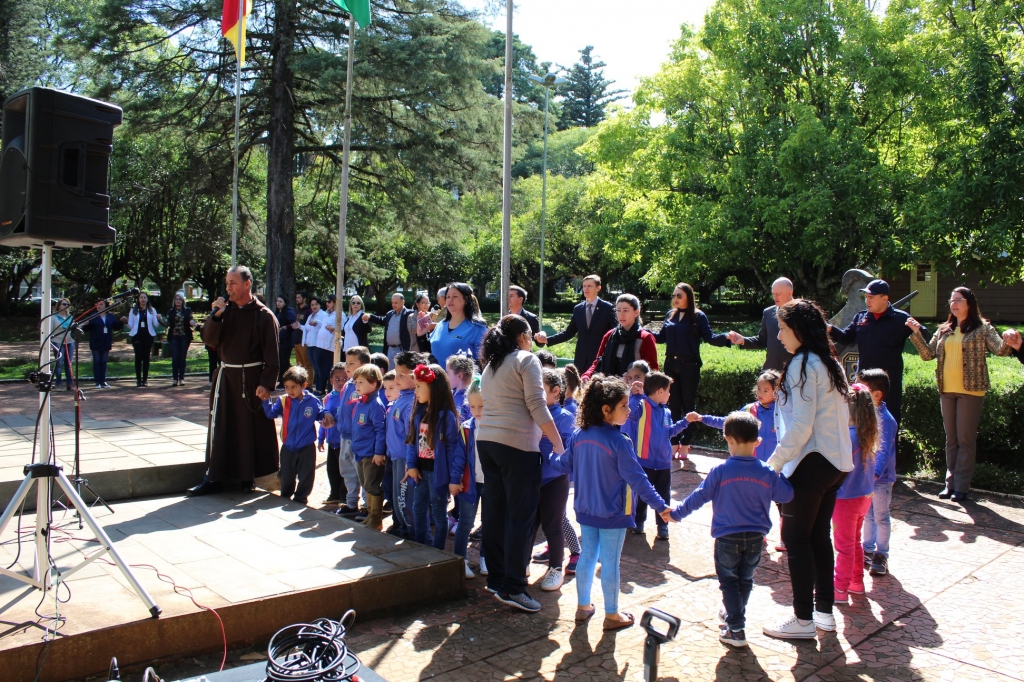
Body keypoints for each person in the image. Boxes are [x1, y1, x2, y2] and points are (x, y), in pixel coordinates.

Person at [761, 299, 854, 640]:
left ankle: (802, 620)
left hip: (811, 464)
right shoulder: (828, 361)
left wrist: (772, 465)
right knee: (817, 537)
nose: (780, 335)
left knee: (796, 538)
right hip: (834, 464)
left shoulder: (802, 364)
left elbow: (800, 427)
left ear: (799, 330)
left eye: (784, 328)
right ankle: (824, 613)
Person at [663, 411, 794, 648]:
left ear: (728, 439)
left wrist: (675, 514)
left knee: (729, 582)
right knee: (745, 580)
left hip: (726, 538)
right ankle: (735, 618)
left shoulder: (720, 471)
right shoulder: (765, 471)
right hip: (756, 538)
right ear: (758, 442)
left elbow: (698, 497)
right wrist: (780, 472)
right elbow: (787, 494)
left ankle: (736, 628)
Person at [547, 374, 668, 631]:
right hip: (614, 512)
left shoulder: (580, 435)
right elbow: (639, 481)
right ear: (606, 409)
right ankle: (612, 615)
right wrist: (661, 506)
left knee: (587, 556)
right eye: (624, 406)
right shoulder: (620, 442)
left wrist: (547, 454)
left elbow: (562, 464)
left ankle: (583, 607)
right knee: (610, 561)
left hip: (585, 509)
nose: (628, 410)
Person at [478, 315, 566, 613]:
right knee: (520, 517)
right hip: (517, 446)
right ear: (523, 336)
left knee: (495, 511)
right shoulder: (526, 359)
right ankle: (513, 587)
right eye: (529, 333)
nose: (531, 338)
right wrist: (557, 441)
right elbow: (536, 404)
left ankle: (497, 578)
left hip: (487, 443)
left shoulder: (492, 364)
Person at [906, 287, 1011, 502]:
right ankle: (950, 485)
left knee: (965, 440)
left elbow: (1001, 350)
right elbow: (928, 354)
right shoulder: (945, 329)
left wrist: (1010, 338)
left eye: (958, 300)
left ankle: (962, 487)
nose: (953, 304)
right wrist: (916, 334)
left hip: (971, 390)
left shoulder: (982, 329)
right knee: (951, 440)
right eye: (951, 300)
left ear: (969, 304)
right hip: (947, 389)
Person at [189, 266, 280, 496]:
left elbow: (272, 354)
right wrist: (215, 316)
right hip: (226, 379)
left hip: (251, 380)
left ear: (247, 284)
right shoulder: (223, 312)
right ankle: (214, 477)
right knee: (221, 426)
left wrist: (266, 383)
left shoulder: (263, 315)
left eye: (233, 283)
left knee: (247, 429)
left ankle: (246, 477)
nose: (228, 287)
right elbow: (209, 339)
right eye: (227, 283)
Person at [688, 369, 784, 549]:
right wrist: (703, 418)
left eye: (766, 390)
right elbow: (727, 422)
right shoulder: (749, 410)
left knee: (782, 505)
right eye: (759, 389)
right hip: (753, 468)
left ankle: (785, 536)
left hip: (776, 468)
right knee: (756, 502)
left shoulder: (784, 410)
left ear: (777, 391)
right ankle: (758, 533)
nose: (760, 393)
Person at [650, 283, 732, 460]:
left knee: (688, 405)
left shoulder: (697, 316)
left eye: (679, 296)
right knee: (672, 405)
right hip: (671, 365)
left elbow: (710, 337)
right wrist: (643, 332)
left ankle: (686, 443)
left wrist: (727, 338)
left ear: (688, 296)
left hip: (689, 366)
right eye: (674, 296)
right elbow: (661, 337)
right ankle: (673, 443)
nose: (675, 299)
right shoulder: (670, 315)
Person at [828, 279, 921, 424]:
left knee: (888, 424)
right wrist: (830, 329)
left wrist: (917, 331)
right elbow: (847, 338)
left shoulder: (901, 318)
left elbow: (924, 338)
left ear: (885, 298)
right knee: (863, 422)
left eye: (871, 297)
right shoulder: (861, 317)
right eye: (866, 297)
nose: (867, 301)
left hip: (887, 384)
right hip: (864, 381)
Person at [403, 364, 464, 550]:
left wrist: (453, 478)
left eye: (419, 387)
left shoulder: (447, 417)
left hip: (438, 475)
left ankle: (438, 550)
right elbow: (412, 442)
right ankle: (422, 544)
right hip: (420, 473)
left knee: (438, 513)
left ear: (434, 388)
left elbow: (453, 450)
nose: (416, 392)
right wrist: (411, 465)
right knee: (418, 508)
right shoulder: (419, 413)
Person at [624, 371, 689, 541]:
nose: (669, 394)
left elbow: (671, 432)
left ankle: (662, 526)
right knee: (643, 494)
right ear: (660, 391)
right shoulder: (641, 405)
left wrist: (685, 422)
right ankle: (638, 522)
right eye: (668, 390)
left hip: (663, 463)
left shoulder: (666, 411)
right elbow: (629, 413)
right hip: (643, 461)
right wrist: (634, 394)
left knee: (663, 494)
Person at [832, 384, 878, 603]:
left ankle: (839, 589)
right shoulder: (867, 433)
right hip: (864, 498)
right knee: (855, 542)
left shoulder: (847, 436)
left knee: (843, 547)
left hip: (845, 499)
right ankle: (856, 583)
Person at [262, 366, 332, 504]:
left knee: (306, 474)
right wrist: (265, 400)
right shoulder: (283, 400)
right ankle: (286, 496)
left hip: (306, 446)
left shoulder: (312, 400)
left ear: (304, 385)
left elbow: (320, 413)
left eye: (293, 387)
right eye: (287, 387)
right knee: (286, 474)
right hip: (288, 446)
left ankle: (301, 498)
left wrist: (326, 415)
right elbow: (271, 414)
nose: (290, 390)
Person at [533, 369, 577, 592]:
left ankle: (556, 569)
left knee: (553, 525)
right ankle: (522, 565)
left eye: (541, 389)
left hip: (554, 480)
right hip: (531, 479)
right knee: (529, 525)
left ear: (556, 392)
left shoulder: (565, 417)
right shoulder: (530, 412)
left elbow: (566, 451)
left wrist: (552, 455)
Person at [856, 369, 898, 578]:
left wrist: (874, 474)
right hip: (867, 476)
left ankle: (881, 554)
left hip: (879, 479)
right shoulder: (867, 413)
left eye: (861, 389)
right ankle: (867, 549)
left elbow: (882, 450)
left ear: (876, 394)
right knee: (867, 515)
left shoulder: (885, 420)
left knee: (881, 516)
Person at [535, 274, 616, 371]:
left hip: (600, 358)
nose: (586, 288)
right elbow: (569, 332)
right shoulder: (578, 309)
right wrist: (547, 340)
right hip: (581, 359)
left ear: (598, 288)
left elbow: (613, 333)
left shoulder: (607, 308)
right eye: (584, 286)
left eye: (590, 286)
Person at [582, 294, 659, 382]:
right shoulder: (609, 335)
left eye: (626, 311)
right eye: (618, 310)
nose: (621, 314)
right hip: (608, 387)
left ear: (636, 312)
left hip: (634, 390)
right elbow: (598, 362)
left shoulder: (645, 338)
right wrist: (586, 375)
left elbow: (653, 370)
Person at [387, 352, 421, 539]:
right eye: (396, 373)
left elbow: (411, 435)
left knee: (405, 499)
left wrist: (411, 460)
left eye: (402, 375)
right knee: (397, 496)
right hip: (396, 456)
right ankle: (401, 526)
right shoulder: (402, 397)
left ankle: (411, 533)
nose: (397, 378)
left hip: (405, 458)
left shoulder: (411, 402)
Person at [350, 364, 388, 530]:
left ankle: (376, 518)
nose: (357, 386)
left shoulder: (375, 405)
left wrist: (379, 452)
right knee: (365, 483)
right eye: (356, 382)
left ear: (374, 384)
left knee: (372, 484)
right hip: (360, 451)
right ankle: (371, 515)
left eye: (361, 382)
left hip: (371, 454)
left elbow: (380, 431)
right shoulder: (360, 403)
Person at [729, 277, 795, 372]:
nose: (775, 297)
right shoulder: (768, 313)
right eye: (773, 294)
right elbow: (762, 341)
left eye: (778, 294)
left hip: (795, 371)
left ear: (790, 293)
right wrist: (743, 340)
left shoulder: (803, 311)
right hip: (771, 372)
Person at [335, 346, 371, 516]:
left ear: (364, 364)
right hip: (344, 436)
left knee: (362, 473)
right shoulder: (348, 385)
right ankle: (351, 503)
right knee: (347, 471)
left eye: (352, 363)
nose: (347, 367)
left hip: (359, 439)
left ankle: (367, 506)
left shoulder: (365, 386)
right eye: (346, 362)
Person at [455, 380, 485, 577]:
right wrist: (455, 478)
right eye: (472, 406)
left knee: (489, 522)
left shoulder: (496, 426)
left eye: (481, 406)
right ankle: (460, 558)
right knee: (465, 521)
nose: (476, 410)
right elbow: (458, 457)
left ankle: (486, 557)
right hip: (469, 482)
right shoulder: (466, 428)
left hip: (491, 483)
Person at [428, 283, 488, 369]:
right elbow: (429, 352)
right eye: (448, 297)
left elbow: (483, 364)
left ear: (466, 299)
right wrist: (420, 335)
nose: (450, 300)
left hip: (464, 381)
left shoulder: (478, 328)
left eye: (455, 296)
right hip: (436, 381)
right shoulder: (440, 325)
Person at [319, 363, 349, 505]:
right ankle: (334, 493)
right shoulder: (328, 398)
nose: (341, 382)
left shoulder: (350, 397)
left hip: (344, 441)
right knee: (332, 469)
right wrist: (321, 437)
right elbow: (323, 419)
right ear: (331, 380)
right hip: (332, 441)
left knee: (345, 470)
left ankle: (345, 496)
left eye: (345, 378)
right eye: (337, 379)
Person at [365, 293, 414, 368]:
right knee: (389, 372)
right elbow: (382, 320)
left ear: (403, 302)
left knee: (401, 370)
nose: (393, 305)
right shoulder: (390, 314)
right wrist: (370, 317)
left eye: (396, 303)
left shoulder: (409, 314)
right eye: (392, 303)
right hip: (389, 349)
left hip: (401, 349)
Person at [122, 291, 160, 387]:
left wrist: (159, 319)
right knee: (138, 357)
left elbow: (156, 324)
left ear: (147, 299)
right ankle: (138, 379)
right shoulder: (133, 310)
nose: (143, 299)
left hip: (148, 335)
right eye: (141, 297)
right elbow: (131, 325)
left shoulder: (152, 310)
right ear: (138, 299)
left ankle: (145, 379)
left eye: (145, 297)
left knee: (146, 357)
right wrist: (126, 322)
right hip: (137, 336)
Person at [84, 298, 122, 389]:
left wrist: (122, 322)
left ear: (105, 305)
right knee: (97, 361)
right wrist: (85, 324)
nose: (99, 306)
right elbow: (87, 329)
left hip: (106, 341)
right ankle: (97, 382)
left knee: (104, 361)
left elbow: (116, 327)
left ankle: (103, 381)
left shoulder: (110, 316)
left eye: (101, 304)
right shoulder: (92, 316)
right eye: (97, 304)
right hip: (96, 342)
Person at [165, 293, 197, 387]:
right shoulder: (171, 311)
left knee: (182, 357)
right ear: (174, 301)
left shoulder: (187, 310)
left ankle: (181, 378)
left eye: (180, 299)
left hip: (184, 336)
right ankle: (175, 378)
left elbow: (191, 320)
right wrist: (159, 320)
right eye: (176, 299)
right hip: (174, 337)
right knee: (175, 357)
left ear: (182, 301)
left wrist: (193, 323)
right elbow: (167, 324)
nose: (178, 301)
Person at [274, 296, 297, 389]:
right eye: (277, 301)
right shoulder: (277, 312)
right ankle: (281, 380)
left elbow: (293, 324)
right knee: (280, 362)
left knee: (285, 362)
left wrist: (285, 328)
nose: (278, 303)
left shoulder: (289, 312)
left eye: (281, 301)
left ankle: (289, 380)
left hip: (286, 341)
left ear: (285, 302)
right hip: (279, 341)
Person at [52, 298, 75, 391]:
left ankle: (70, 384)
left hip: (70, 341)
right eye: (64, 304)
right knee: (59, 362)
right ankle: (58, 384)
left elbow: (73, 328)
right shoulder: (53, 317)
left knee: (69, 363)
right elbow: (51, 330)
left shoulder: (70, 317)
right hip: (58, 341)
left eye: (67, 304)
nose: (66, 306)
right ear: (59, 305)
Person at [293, 291, 315, 385]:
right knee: (300, 365)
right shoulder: (298, 310)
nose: (297, 299)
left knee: (307, 365)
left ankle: (309, 385)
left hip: (304, 341)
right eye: (296, 297)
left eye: (299, 297)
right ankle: (301, 383)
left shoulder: (308, 311)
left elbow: (308, 327)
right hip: (296, 340)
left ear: (304, 299)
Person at [446, 354, 475, 423]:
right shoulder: (451, 393)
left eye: (448, 373)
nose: (446, 377)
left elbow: (471, 424)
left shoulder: (470, 397)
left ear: (459, 375)